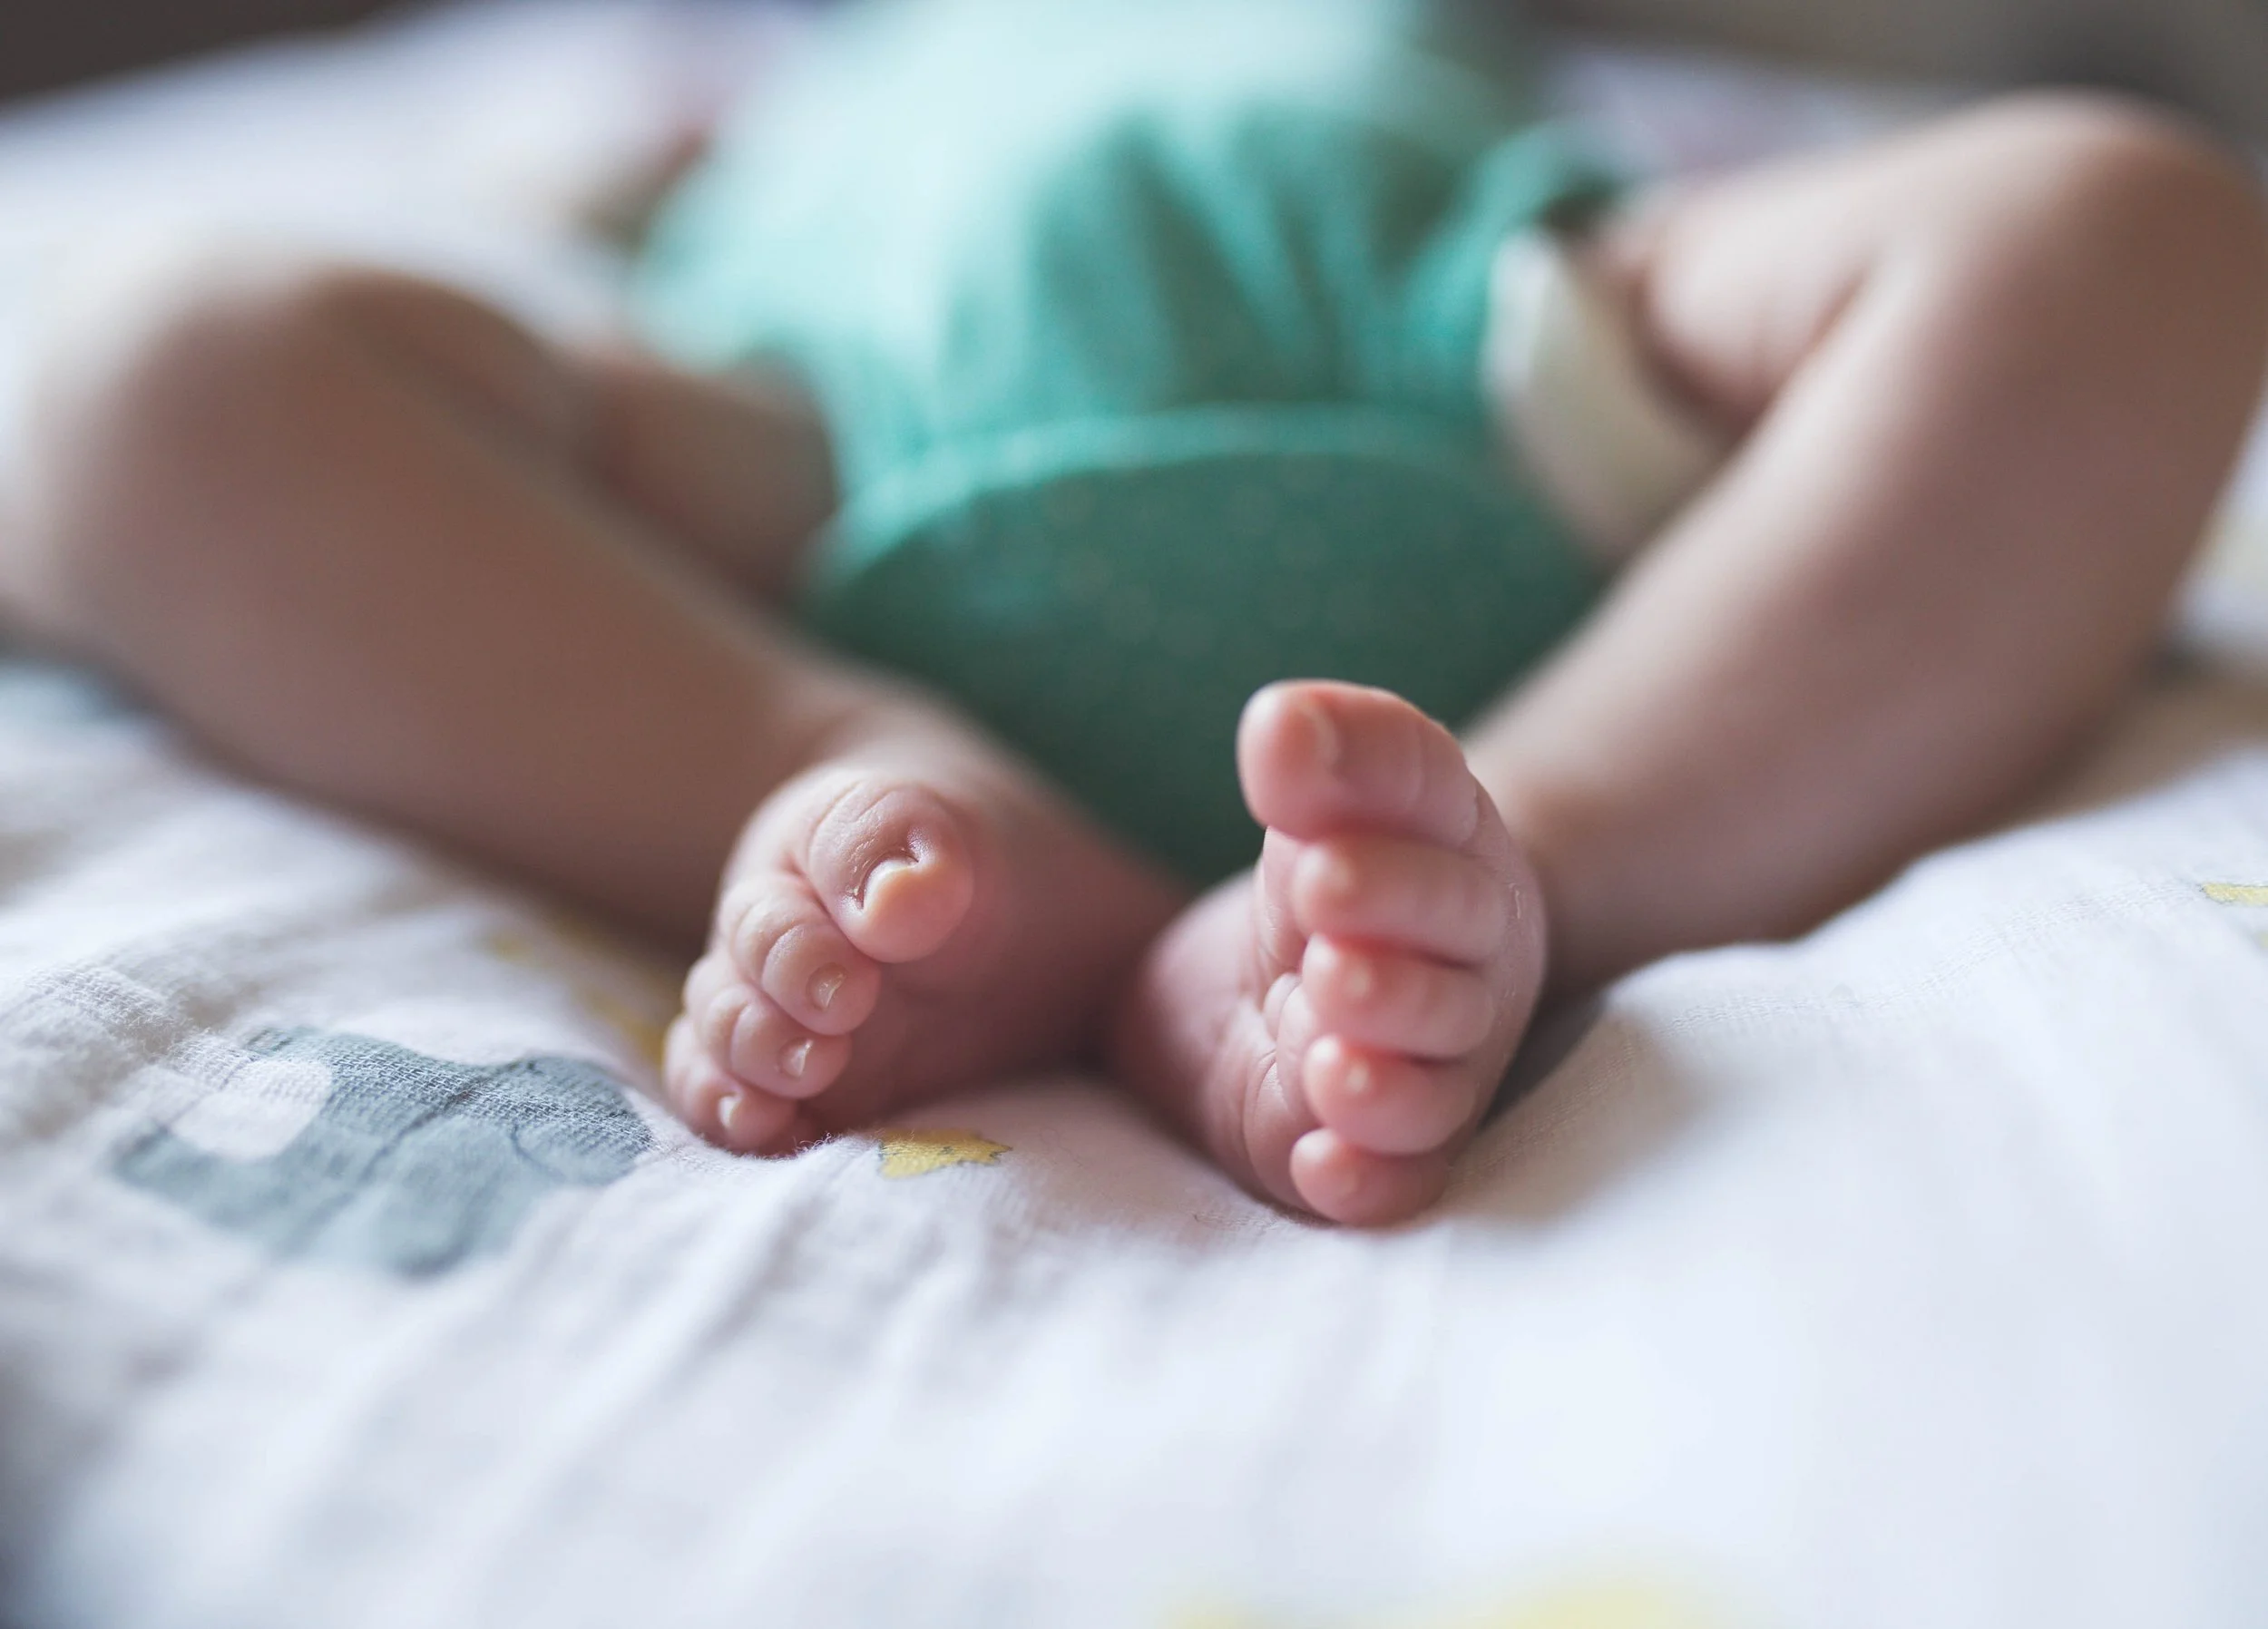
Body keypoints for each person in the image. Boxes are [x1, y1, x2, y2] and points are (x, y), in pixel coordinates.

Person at [6, 0, 2262, 1224]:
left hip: (1497, 353)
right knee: (141, 375)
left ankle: (1518, 853)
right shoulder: (739, 90)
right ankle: (813, 772)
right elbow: (516, 263)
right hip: (817, 446)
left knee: (2130, 226)